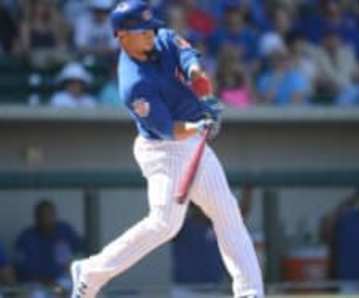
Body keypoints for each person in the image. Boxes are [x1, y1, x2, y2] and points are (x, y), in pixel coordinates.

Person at [70, 1, 264, 298]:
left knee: (227, 212)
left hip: (192, 138)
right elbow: (167, 128)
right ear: (122, 35)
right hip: (162, 149)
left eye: (150, 27)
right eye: (141, 30)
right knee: (165, 224)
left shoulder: (161, 36)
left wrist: (203, 88)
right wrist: (198, 127)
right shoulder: (133, 84)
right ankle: (91, 272)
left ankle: (250, 292)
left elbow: (189, 61)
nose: (150, 33)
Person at [15, 200, 83, 286]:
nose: (45, 218)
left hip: (62, 280)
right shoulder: (26, 237)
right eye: (42, 215)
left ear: (55, 215)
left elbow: (81, 254)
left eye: (49, 214)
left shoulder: (65, 231)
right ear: (36, 217)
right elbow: (19, 267)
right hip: (35, 283)